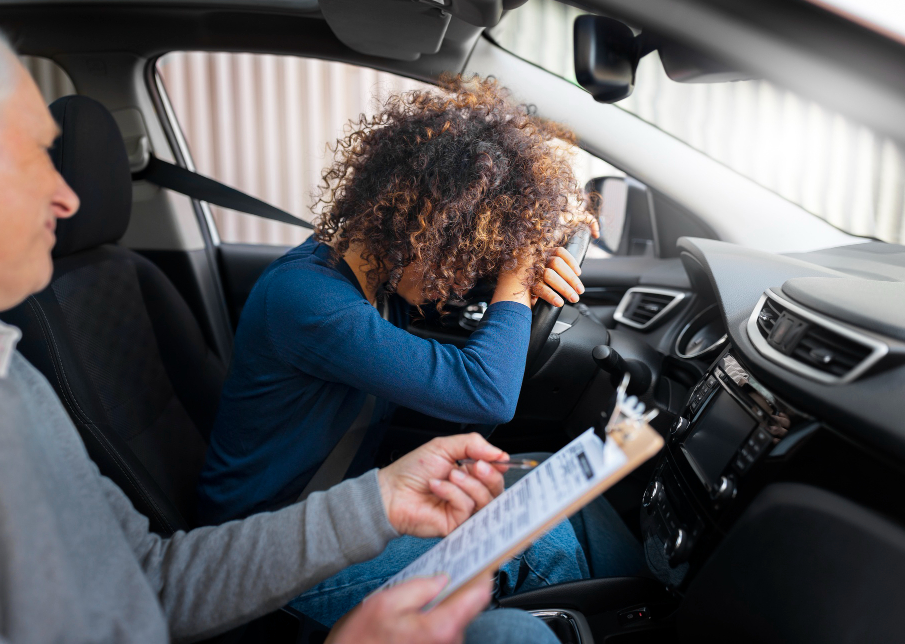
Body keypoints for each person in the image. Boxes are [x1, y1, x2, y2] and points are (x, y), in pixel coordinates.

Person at [0, 0, 561, 643]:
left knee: (533, 517)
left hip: (247, 543)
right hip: (261, 549)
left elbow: (149, 581)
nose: (66, 197)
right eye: (31, 154)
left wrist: (380, 499)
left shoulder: (1, 369)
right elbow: (485, 389)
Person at [196, 77, 644, 626]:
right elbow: (486, 395)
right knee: (534, 535)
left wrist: (537, 247)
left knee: (562, 477)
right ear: (417, 226)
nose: (459, 282)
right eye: (461, 255)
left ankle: (647, 615)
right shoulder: (307, 299)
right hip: (264, 562)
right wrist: (515, 278)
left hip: (335, 516)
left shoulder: (378, 275)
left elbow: (482, 285)